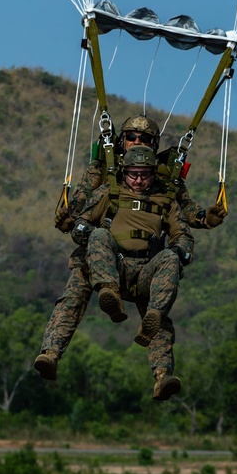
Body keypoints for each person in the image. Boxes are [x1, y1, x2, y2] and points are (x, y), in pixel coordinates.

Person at [34, 114, 225, 384]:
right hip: (103, 261)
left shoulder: (167, 189)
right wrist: (69, 222)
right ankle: (52, 353)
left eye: (144, 139)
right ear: (122, 143)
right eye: (132, 137)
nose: (137, 143)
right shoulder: (103, 177)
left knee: (159, 313)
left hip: (145, 267)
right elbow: (78, 212)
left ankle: (162, 375)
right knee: (74, 295)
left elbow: (186, 217)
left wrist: (204, 221)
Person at [71, 144, 193, 401]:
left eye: (145, 175)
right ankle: (109, 295)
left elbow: (182, 235)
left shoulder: (166, 200)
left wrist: (181, 251)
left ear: (153, 174)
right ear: (124, 172)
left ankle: (162, 375)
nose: (138, 180)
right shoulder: (109, 192)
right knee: (100, 233)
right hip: (115, 268)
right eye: (133, 174)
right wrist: (82, 229)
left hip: (146, 273)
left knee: (170, 259)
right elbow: (81, 221)